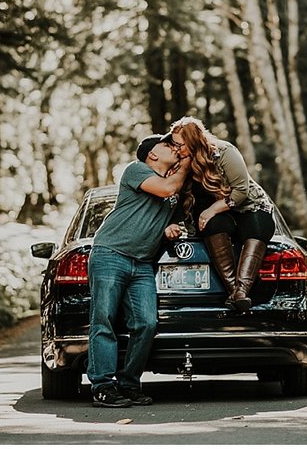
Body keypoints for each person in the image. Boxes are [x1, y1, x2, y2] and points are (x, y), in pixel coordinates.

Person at [87, 133, 187, 409]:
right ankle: (103, 387)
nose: (174, 148)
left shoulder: (171, 194)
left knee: (146, 323)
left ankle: (128, 384)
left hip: (142, 262)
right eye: (168, 145)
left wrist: (167, 228)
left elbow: (163, 209)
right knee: (104, 320)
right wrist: (188, 162)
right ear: (152, 155)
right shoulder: (136, 170)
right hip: (110, 254)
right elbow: (167, 189)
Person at [168, 116, 275, 312]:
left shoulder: (224, 152)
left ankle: (241, 291)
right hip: (221, 220)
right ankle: (237, 293)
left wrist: (211, 210)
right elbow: (175, 198)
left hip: (249, 207)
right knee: (213, 225)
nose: (176, 149)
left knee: (257, 226)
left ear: (193, 141)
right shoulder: (182, 163)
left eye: (179, 145)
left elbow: (241, 192)